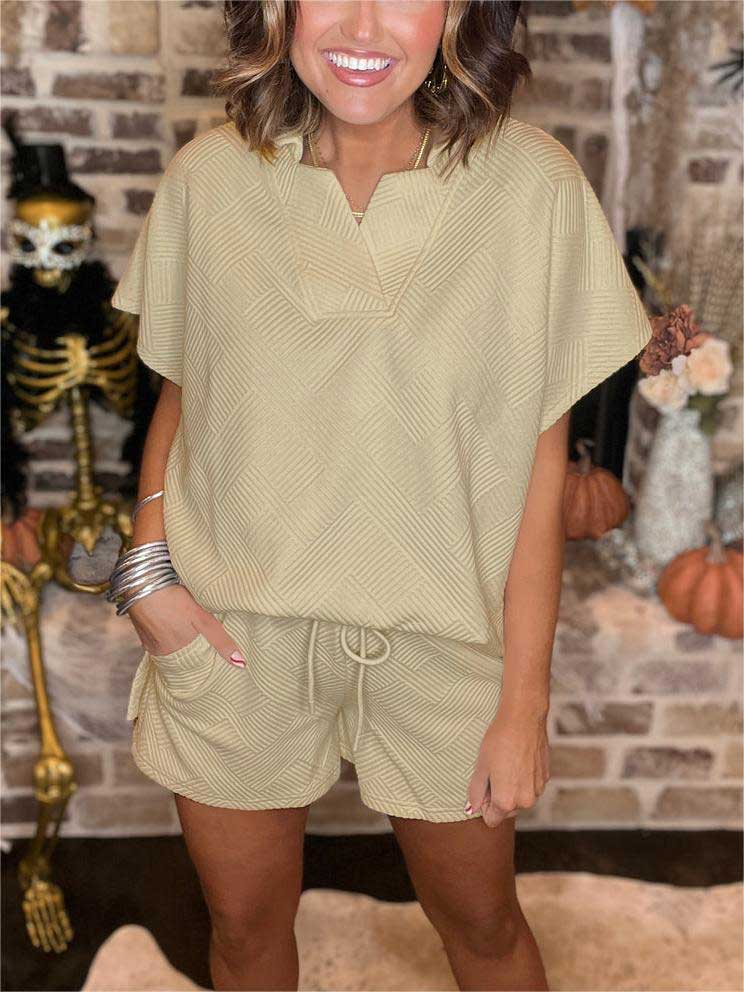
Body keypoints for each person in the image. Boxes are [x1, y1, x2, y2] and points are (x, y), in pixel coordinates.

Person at [107, 1, 652, 989]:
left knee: (483, 925)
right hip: (236, 636)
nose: (363, 25)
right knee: (242, 926)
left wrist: (523, 701)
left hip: (445, 640)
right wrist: (147, 571)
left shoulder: (535, 190)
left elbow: (540, 467)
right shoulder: (208, 178)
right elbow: (185, 390)